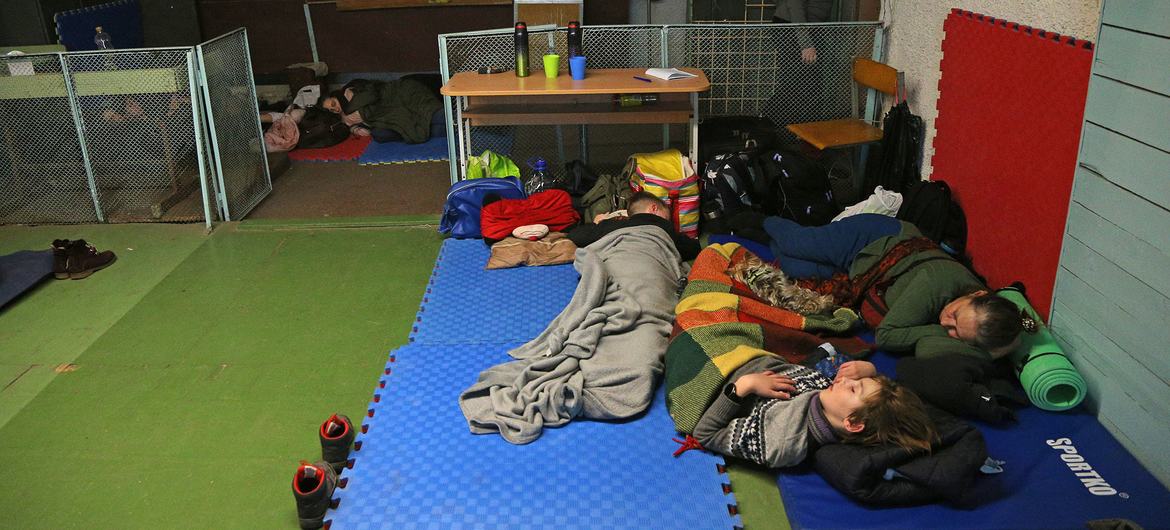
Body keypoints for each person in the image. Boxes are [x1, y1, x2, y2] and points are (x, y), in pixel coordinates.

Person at [764, 213, 1024, 359]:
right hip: (875, 238)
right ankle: (758, 216)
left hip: (864, 274)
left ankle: (759, 235)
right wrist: (944, 334)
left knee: (790, 265)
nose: (946, 323)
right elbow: (887, 336)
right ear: (977, 293)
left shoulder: (984, 318)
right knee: (794, 243)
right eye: (955, 315)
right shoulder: (937, 283)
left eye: (957, 332)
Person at [694, 356, 936, 468]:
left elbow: (705, 434)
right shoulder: (828, 394)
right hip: (748, 350)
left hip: (715, 368)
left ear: (852, 423)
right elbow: (831, 357)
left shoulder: (782, 440)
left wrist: (744, 386)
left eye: (854, 388)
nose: (845, 382)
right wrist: (868, 368)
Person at [567, 192, 700, 261]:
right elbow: (693, 248)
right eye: (666, 216)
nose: (668, 222)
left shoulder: (610, 226)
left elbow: (575, 236)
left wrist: (597, 223)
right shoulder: (662, 227)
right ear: (654, 208)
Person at [319, 78, 440, 144]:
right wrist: (354, 128)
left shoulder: (350, 90)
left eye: (333, 104)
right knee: (380, 135)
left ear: (335, 95)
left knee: (428, 113)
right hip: (387, 117)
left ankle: (454, 121)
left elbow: (373, 94)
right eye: (332, 110)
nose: (335, 109)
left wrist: (350, 109)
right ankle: (450, 130)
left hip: (398, 96)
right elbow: (359, 124)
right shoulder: (344, 119)